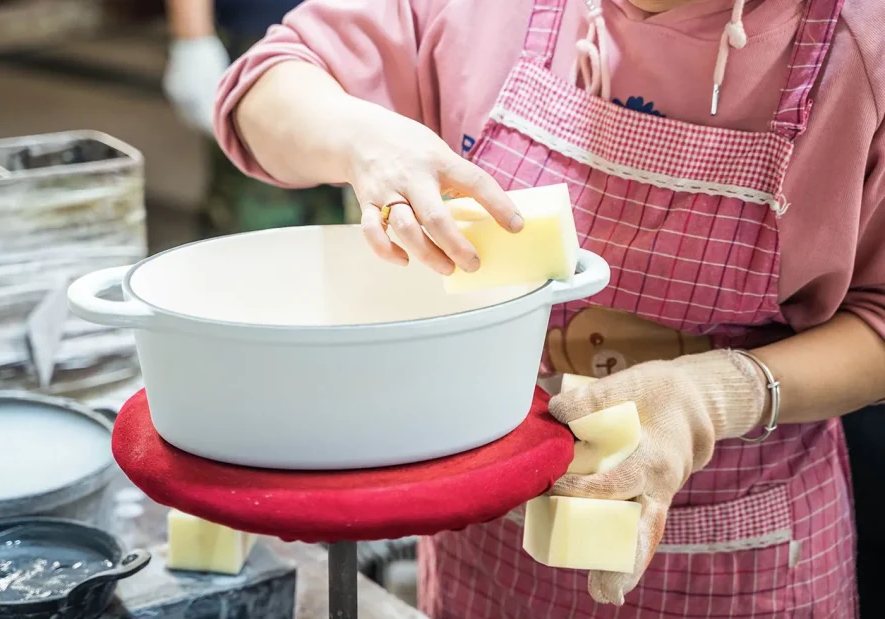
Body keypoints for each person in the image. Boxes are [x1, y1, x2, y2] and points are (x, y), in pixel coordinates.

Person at [212, 0, 885, 616]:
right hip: (490, 543)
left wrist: (719, 394)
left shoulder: (859, 44)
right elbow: (260, 90)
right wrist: (363, 141)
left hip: (743, 555)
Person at [162, 0, 343, 233]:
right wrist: (192, 36)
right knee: (254, 219)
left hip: (349, 31)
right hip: (257, 34)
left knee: (344, 213)